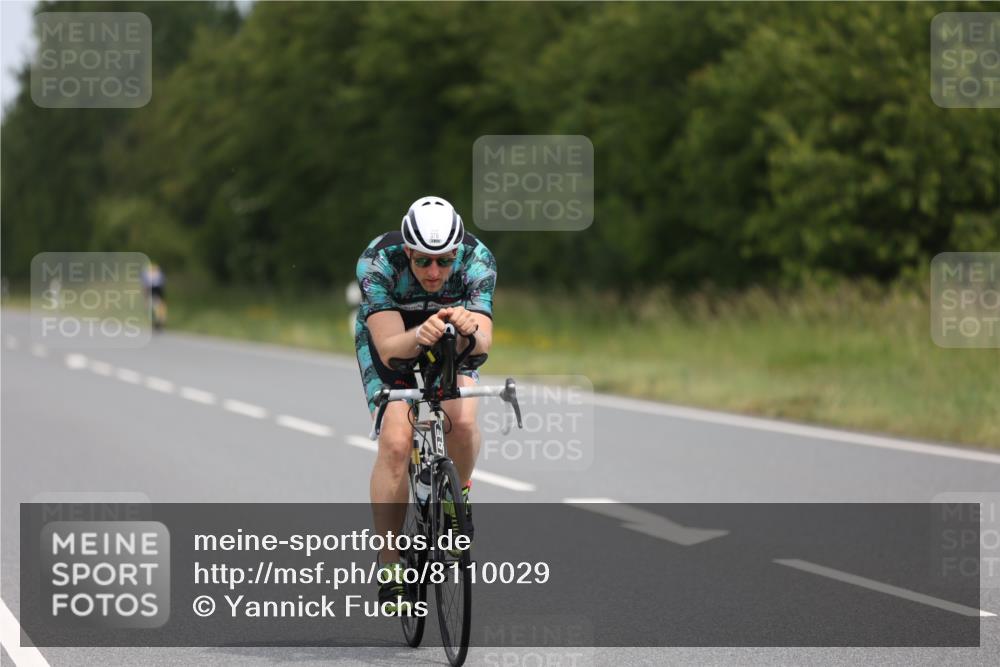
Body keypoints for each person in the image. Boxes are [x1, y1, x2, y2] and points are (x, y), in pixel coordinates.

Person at [354, 196, 496, 614]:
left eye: (445, 261)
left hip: (451, 339)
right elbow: (388, 346)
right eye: (423, 263)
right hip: (395, 339)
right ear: (408, 252)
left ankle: (457, 496)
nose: (435, 272)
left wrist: (469, 329)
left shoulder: (478, 259)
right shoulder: (378, 262)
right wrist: (421, 334)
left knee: (463, 421)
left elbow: (484, 342)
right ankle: (390, 562)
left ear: (458, 253)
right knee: (397, 442)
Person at [141, 261, 167, 330]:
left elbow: (145, 286)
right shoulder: (158, 272)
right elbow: (163, 283)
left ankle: (157, 321)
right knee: (159, 305)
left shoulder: (146, 272)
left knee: (153, 305)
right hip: (158, 289)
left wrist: (145, 298)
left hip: (152, 289)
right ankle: (160, 321)